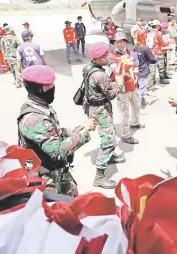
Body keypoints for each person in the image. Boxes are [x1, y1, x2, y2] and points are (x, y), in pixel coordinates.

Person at [18, 65, 94, 196]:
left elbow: (50, 132)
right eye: (50, 85)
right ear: (42, 89)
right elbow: (58, 151)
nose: (53, 88)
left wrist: (70, 131)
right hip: (47, 181)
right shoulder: (34, 118)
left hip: (56, 172)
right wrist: (84, 131)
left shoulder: (38, 106)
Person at [84, 42, 126, 189]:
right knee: (108, 140)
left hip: (97, 107)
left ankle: (110, 157)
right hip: (100, 109)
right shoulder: (99, 75)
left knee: (109, 134)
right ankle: (99, 177)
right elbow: (111, 94)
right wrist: (120, 82)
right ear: (97, 58)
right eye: (105, 56)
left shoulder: (89, 67)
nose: (108, 57)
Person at [109, 32, 143, 144]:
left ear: (126, 43)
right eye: (117, 42)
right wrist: (121, 69)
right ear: (114, 43)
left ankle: (135, 122)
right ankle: (126, 135)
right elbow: (113, 67)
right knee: (124, 113)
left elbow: (137, 64)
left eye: (122, 42)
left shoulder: (132, 53)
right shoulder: (112, 56)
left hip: (133, 86)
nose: (119, 44)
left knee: (136, 107)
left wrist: (136, 70)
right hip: (122, 89)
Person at [133, 29, 157, 107]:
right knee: (142, 88)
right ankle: (139, 106)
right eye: (146, 36)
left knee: (139, 86)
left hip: (136, 70)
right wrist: (157, 57)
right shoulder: (145, 48)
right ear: (143, 37)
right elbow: (152, 60)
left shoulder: (135, 47)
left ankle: (142, 101)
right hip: (143, 70)